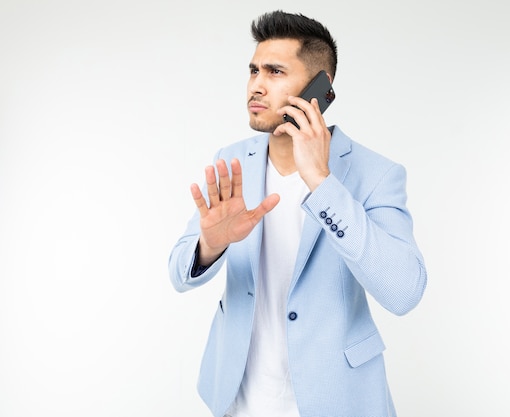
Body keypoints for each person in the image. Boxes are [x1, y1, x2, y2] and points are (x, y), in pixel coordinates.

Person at [168, 10, 427, 417]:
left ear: (319, 87)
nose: (256, 85)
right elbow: (177, 273)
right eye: (253, 70)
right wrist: (210, 245)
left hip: (336, 398)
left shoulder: (375, 174)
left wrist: (323, 184)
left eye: (274, 71)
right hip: (238, 395)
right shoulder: (232, 160)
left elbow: (405, 291)